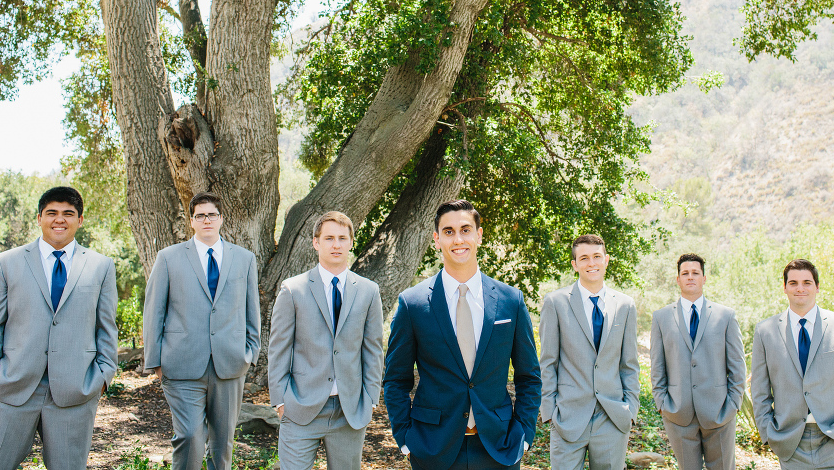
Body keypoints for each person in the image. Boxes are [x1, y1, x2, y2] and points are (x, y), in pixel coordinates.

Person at [384, 199, 541, 470]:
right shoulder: (413, 303)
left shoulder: (510, 300)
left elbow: (529, 377)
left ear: (479, 236)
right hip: (433, 448)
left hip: (499, 447)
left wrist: (524, 436)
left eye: (466, 230)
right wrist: (406, 441)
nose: (458, 239)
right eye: (448, 231)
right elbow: (395, 380)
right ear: (436, 239)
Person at [0, 186, 118, 470]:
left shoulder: (101, 266)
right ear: (39, 218)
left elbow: (106, 328)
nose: (59, 219)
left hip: (75, 392)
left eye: (68, 213)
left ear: (80, 220)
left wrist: (102, 377)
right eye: (51, 213)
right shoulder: (6, 262)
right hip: (9, 389)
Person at [143, 192, 261, 470]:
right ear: (192, 221)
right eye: (200, 215)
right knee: (190, 437)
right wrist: (156, 361)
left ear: (221, 219)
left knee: (223, 445)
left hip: (230, 365)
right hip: (181, 365)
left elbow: (251, 311)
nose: (206, 220)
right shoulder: (169, 258)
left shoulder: (244, 259)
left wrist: (250, 354)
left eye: (212, 215)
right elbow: (154, 312)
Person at [267, 211, 384, 469]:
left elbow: (373, 349)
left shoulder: (368, 291)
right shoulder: (293, 289)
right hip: (300, 408)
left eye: (343, 238)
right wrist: (281, 400)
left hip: (349, 411)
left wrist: (371, 399)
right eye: (329, 238)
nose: (336, 244)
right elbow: (278, 349)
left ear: (351, 242)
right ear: (316, 242)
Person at [751, 259, 834, 470]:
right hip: (791, 446)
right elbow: (760, 392)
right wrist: (769, 434)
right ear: (784, 288)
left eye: (807, 282)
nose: (800, 288)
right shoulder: (765, 332)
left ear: (817, 287)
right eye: (793, 283)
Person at [539, 234, 639, 470]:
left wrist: (630, 409)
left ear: (606, 260)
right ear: (575, 265)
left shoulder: (625, 305)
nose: (591, 263)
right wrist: (550, 411)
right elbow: (548, 363)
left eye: (596, 256)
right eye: (584, 258)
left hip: (612, 418)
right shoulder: (556, 303)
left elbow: (630, 364)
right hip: (567, 417)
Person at [650, 253, 745, 470]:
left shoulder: (726, 316)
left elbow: (737, 366)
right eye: (685, 273)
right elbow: (657, 367)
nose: (690, 277)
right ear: (678, 279)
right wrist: (663, 405)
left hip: (720, 413)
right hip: (678, 414)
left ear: (704, 278)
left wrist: (732, 405)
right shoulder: (661, 317)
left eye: (695, 273)